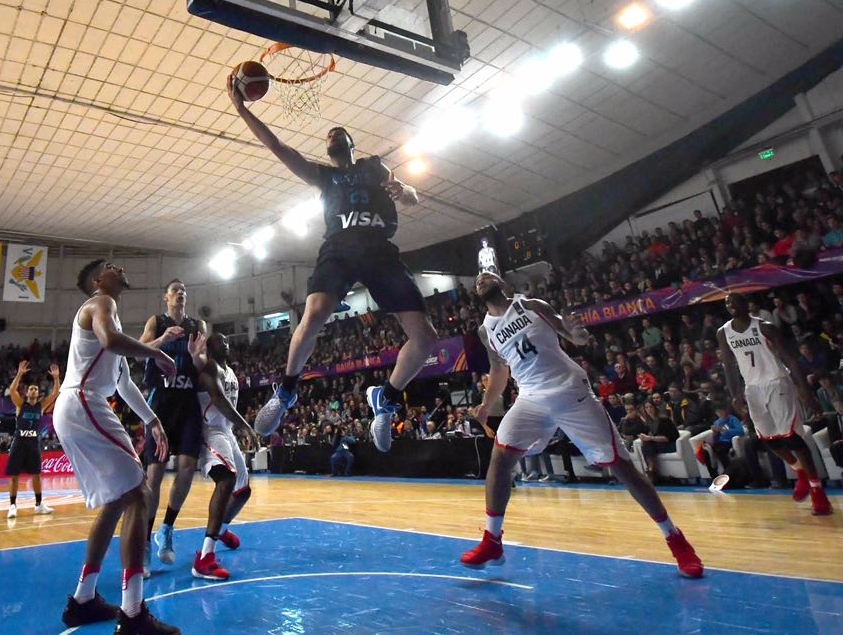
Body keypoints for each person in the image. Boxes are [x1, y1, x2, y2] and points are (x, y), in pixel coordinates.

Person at [227, 73, 436, 450]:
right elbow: (277, 146)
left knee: (426, 339)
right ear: (328, 152)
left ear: (352, 144)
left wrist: (404, 190)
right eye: (329, 137)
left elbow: (412, 198)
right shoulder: (323, 177)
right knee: (316, 311)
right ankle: (287, 391)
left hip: (378, 249)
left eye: (339, 133)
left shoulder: (374, 167)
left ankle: (386, 399)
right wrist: (242, 110)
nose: (333, 135)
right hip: (339, 247)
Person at [460, 272, 703, 578]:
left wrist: (578, 333)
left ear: (504, 284)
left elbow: (575, 337)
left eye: (488, 275)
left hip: (569, 390)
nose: (481, 279)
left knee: (621, 466)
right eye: (477, 280)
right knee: (500, 455)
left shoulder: (532, 305)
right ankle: (492, 540)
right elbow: (498, 369)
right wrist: (485, 404)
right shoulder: (486, 331)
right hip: (531, 397)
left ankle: (676, 539)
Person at [53, 259, 179, 634]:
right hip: (83, 402)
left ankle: (83, 600)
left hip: (80, 406)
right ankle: (133, 613)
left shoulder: (110, 315)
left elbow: (123, 383)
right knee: (139, 493)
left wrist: (151, 418)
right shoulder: (100, 303)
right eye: (110, 266)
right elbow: (110, 341)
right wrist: (155, 352)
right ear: (97, 280)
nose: (119, 268)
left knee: (118, 501)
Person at [717, 292, 832, 515]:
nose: (731, 305)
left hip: (777, 382)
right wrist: (735, 393)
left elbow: (790, 358)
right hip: (752, 388)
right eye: (727, 303)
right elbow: (728, 365)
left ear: (746, 304)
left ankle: (818, 491)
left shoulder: (765, 327)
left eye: (735, 301)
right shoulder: (724, 332)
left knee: (792, 437)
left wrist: (806, 392)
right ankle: (800, 472)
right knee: (767, 439)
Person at [138, 278, 206, 570]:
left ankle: (166, 529)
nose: (180, 294)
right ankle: (143, 541)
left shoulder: (198, 326)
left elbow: (204, 366)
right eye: (175, 291)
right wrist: (164, 339)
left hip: (188, 402)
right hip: (161, 404)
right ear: (165, 297)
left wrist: (195, 357)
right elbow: (139, 350)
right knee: (154, 474)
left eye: (184, 291)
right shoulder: (157, 321)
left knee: (188, 467)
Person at [186, 332, 257, 581]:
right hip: (210, 429)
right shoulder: (208, 368)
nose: (225, 343)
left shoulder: (231, 372)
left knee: (243, 490)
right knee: (226, 479)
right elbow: (218, 400)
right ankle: (205, 557)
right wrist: (245, 425)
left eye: (227, 340)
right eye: (220, 340)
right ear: (209, 346)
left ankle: (222, 529)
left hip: (226, 431)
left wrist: (237, 427)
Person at [5, 360, 60, 519]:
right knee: (14, 476)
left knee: (36, 474)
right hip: (19, 442)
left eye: (36, 388)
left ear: (38, 393)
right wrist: (20, 374)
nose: (34, 390)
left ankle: (38, 505)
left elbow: (55, 394)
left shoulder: (41, 406)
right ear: (27, 393)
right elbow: (12, 389)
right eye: (31, 388)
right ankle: (13, 506)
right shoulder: (20, 404)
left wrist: (56, 378)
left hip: (33, 443)